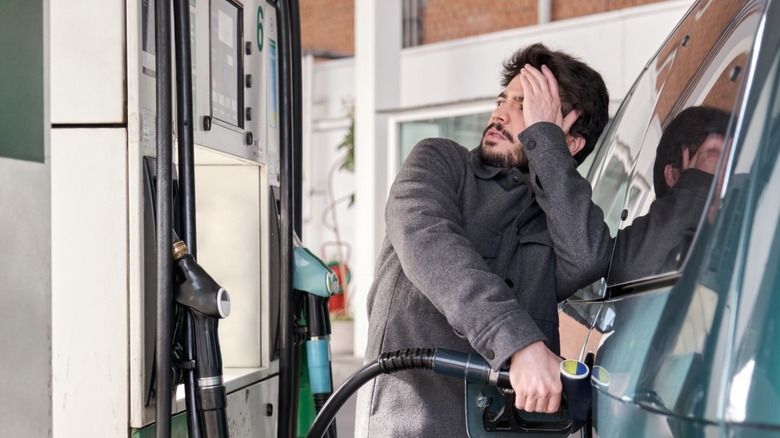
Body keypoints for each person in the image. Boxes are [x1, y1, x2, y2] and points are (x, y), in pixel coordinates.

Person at [355, 43, 612, 437]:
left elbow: (588, 257)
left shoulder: (557, 221)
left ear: (569, 142)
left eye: (525, 106)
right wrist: (519, 343)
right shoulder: (440, 160)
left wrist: (546, 143)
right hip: (415, 425)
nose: (500, 114)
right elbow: (426, 238)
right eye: (502, 100)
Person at [608, 105, 730, 284]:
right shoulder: (667, 254)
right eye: (713, 161)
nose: (725, 180)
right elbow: (630, 274)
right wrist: (694, 187)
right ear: (673, 175)